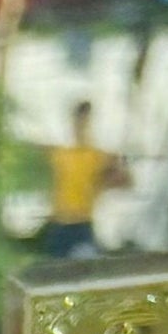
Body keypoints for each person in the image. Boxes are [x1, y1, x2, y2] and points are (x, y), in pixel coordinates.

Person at [40, 100, 125, 263]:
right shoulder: (61, 154)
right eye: (79, 122)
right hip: (60, 223)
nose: (81, 127)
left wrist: (101, 187)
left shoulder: (97, 156)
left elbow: (123, 179)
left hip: (82, 223)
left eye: (86, 122)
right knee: (55, 271)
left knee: (86, 268)